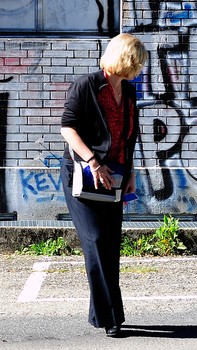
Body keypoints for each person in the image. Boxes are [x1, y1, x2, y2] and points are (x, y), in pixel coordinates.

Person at [60, 33, 148, 338]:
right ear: (125, 60)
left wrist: (132, 170)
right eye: (137, 63)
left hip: (116, 175)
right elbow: (68, 128)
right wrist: (92, 162)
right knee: (96, 240)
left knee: (109, 245)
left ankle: (104, 313)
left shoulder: (130, 92)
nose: (139, 69)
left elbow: (128, 135)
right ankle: (113, 317)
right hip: (85, 174)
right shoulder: (87, 85)